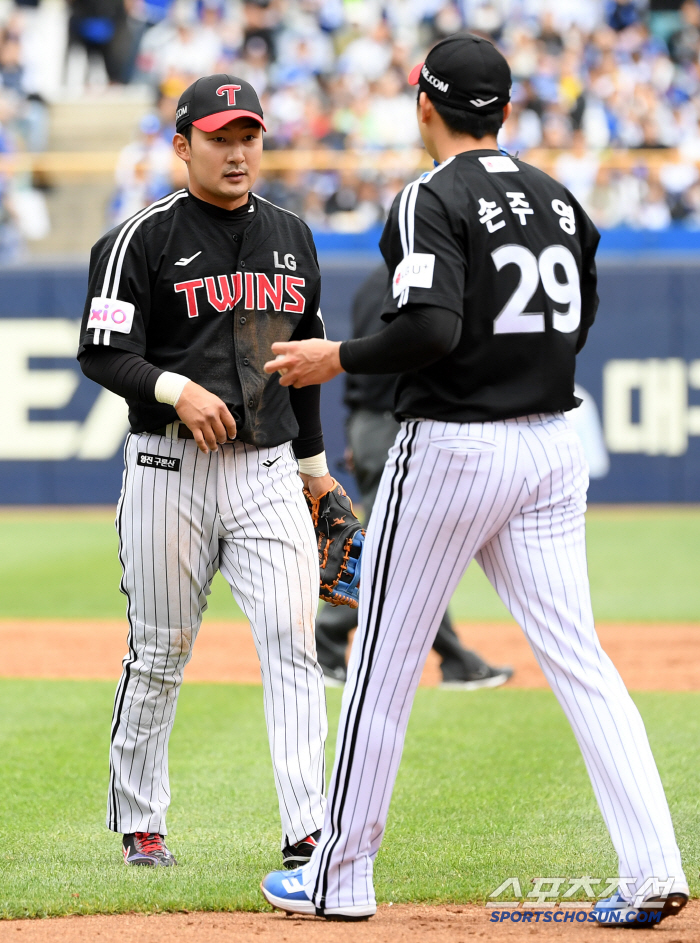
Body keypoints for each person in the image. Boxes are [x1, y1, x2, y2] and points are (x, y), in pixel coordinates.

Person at [259, 35, 689, 926]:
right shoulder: (559, 196)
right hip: (553, 442)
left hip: (455, 445)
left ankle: (340, 876)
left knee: (381, 662)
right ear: (508, 110)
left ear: (425, 105)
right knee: (580, 657)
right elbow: (580, 318)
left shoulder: (431, 194)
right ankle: (653, 867)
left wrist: (338, 356)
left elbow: (431, 328)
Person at [77, 73, 331, 870]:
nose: (238, 151)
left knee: (293, 639)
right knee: (160, 650)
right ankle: (140, 820)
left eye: (249, 136)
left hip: (266, 470)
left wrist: (316, 471)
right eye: (221, 138)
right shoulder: (139, 238)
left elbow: (303, 365)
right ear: (183, 145)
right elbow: (102, 352)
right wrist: (173, 388)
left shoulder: (293, 235)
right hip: (168, 467)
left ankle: (309, 827)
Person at [317, 262, 513, 690]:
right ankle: (327, 641)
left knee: (404, 546)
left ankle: (449, 658)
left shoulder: (375, 282)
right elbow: (402, 355)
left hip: (373, 424)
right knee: (397, 547)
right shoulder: (420, 281)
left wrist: (358, 431)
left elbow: (366, 359)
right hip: (393, 425)